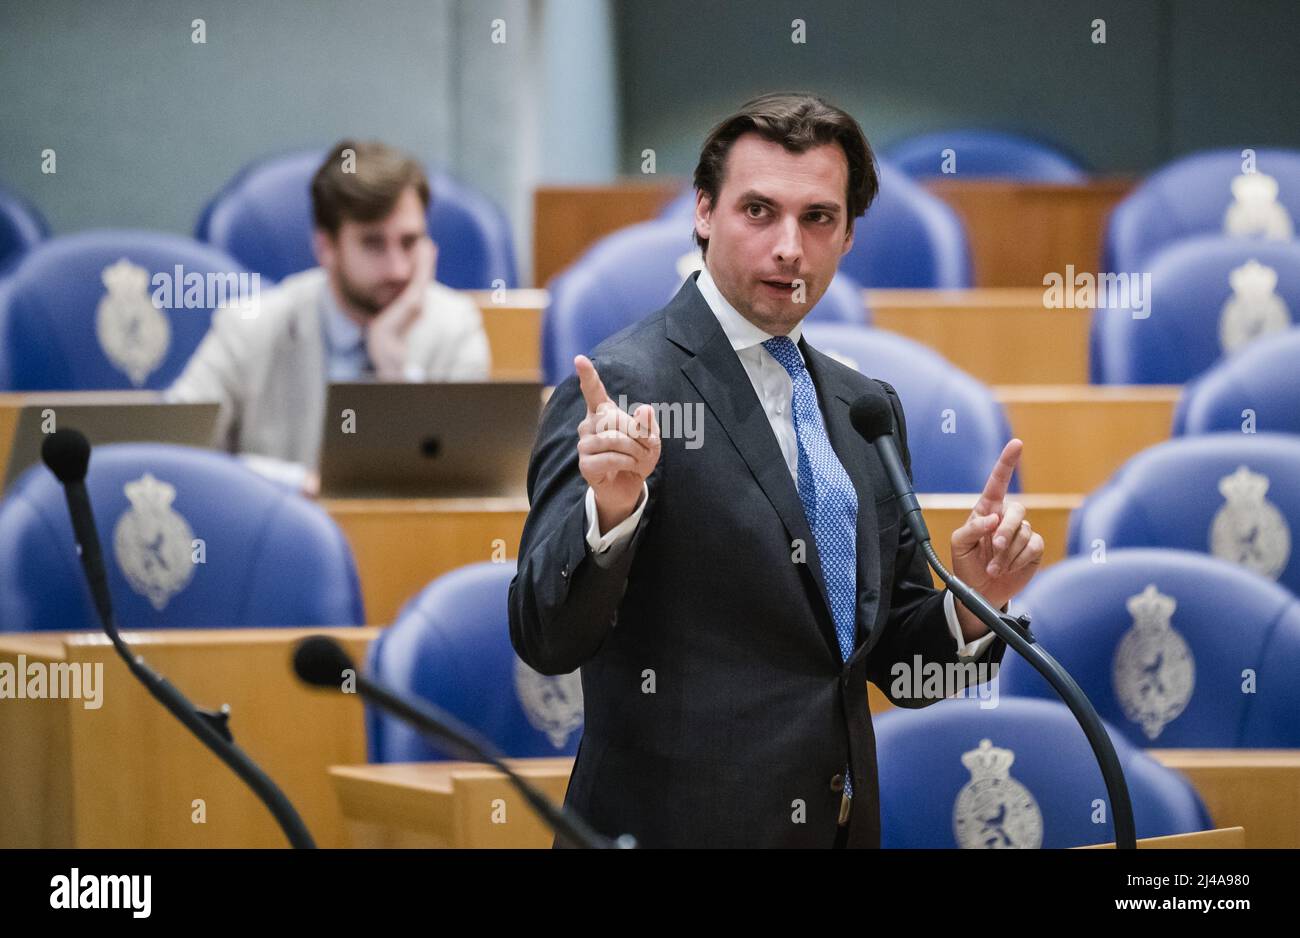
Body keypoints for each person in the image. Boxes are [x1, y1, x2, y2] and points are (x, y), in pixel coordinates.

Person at [508, 92, 1044, 848]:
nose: (789, 246)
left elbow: (892, 666)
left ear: (849, 235)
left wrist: (971, 606)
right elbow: (545, 636)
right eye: (758, 211)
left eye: (817, 218)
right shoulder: (626, 387)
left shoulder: (863, 407)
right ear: (702, 213)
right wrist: (611, 517)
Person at [168, 140, 490, 495]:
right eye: (373, 244)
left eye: (410, 242)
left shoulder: (456, 328)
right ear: (326, 248)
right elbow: (173, 450)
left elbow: (459, 488)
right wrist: (301, 484)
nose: (398, 268)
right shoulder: (250, 326)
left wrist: (396, 370)